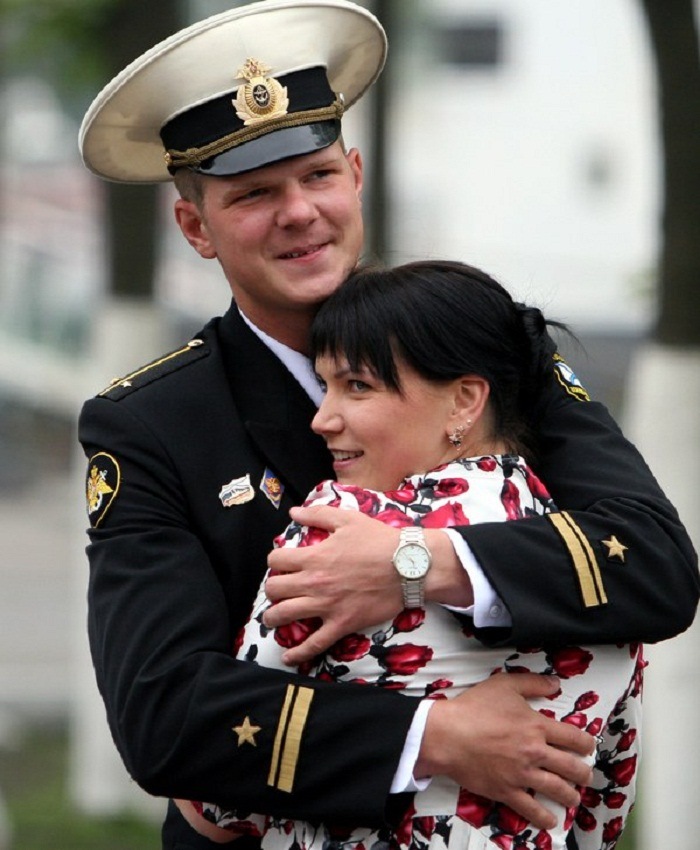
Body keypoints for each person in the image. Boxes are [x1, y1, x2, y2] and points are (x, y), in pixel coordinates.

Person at [76, 1, 697, 847]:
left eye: (319, 176)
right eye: (255, 193)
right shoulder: (151, 423)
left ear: (356, 175)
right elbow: (165, 714)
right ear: (195, 227)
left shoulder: (477, 336)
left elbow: (655, 565)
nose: (300, 212)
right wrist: (435, 738)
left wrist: (415, 566)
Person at [177, 260, 644, 850]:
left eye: (358, 386)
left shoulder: (340, 535)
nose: (322, 419)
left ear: (464, 403)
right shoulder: (607, 577)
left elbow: (218, 789)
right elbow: (604, 809)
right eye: (325, 386)